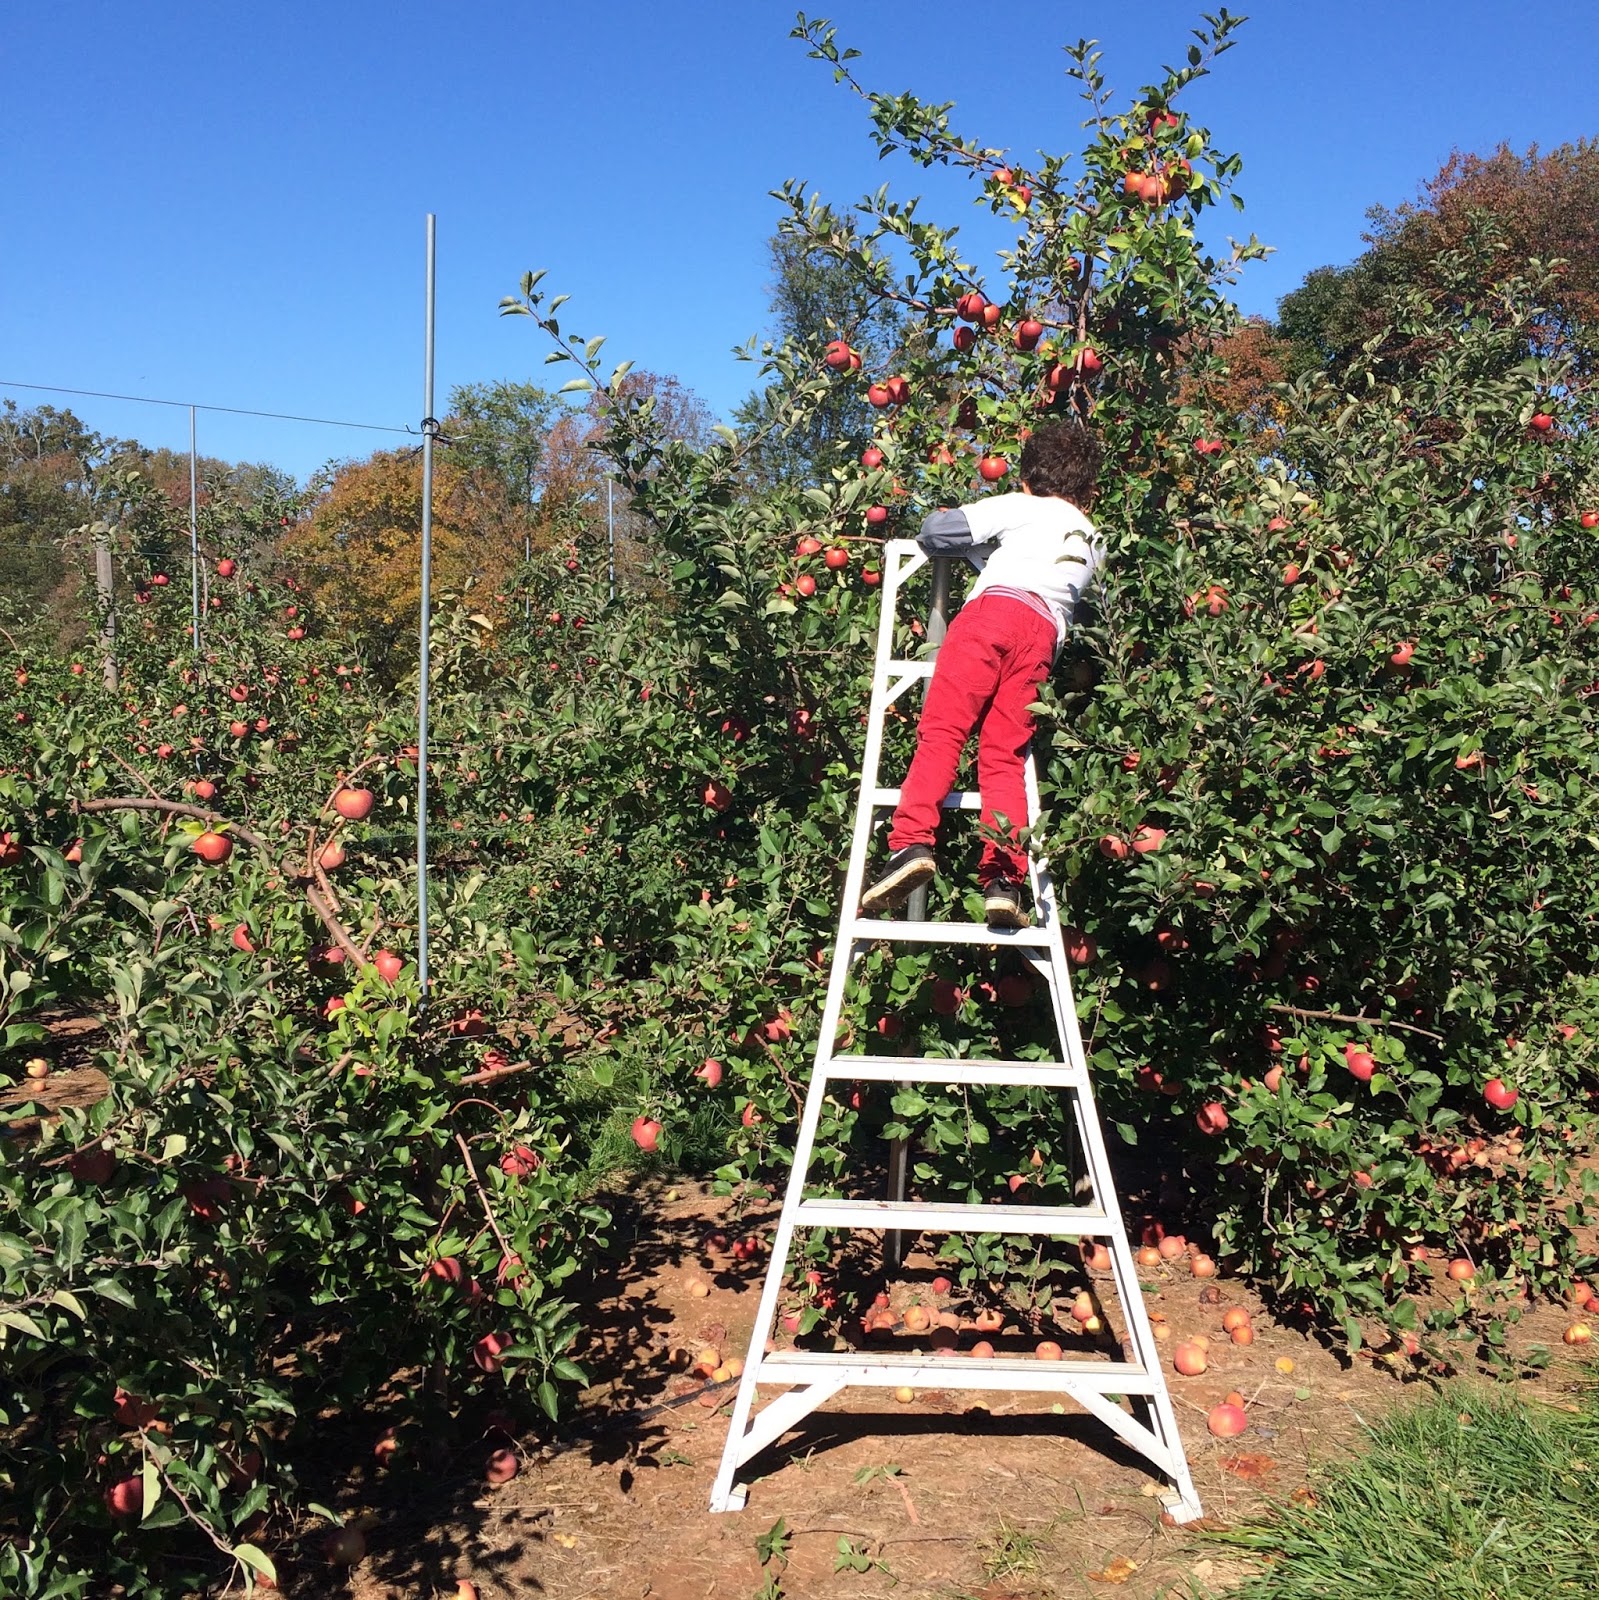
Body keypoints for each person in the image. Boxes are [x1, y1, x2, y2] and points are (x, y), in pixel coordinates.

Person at [860, 418, 1104, 930]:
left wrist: (977, 535)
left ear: (1027, 477)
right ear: (1089, 490)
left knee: (944, 731)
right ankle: (1004, 881)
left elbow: (937, 532)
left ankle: (910, 844)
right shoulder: (1091, 538)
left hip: (989, 618)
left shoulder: (1019, 506)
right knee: (1004, 757)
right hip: (1041, 639)